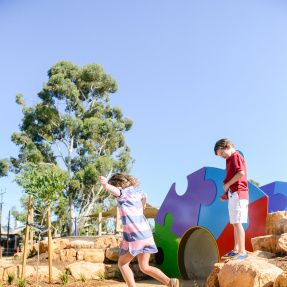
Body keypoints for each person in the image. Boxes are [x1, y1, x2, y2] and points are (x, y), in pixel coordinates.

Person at [99, 173, 179, 287]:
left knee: (122, 263)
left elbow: (117, 191)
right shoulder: (137, 194)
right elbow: (144, 195)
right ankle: (170, 282)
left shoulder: (123, 195)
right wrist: (143, 204)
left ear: (118, 185)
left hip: (135, 235)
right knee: (144, 266)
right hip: (146, 234)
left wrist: (105, 185)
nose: (113, 194)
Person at [214, 139, 249, 260]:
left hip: (239, 194)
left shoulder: (235, 156)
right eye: (220, 155)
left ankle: (242, 251)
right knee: (234, 223)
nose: (222, 156)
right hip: (233, 194)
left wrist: (228, 184)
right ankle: (236, 250)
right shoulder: (229, 160)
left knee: (238, 223)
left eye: (222, 153)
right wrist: (226, 193)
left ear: (228, 146)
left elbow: (241, 173)